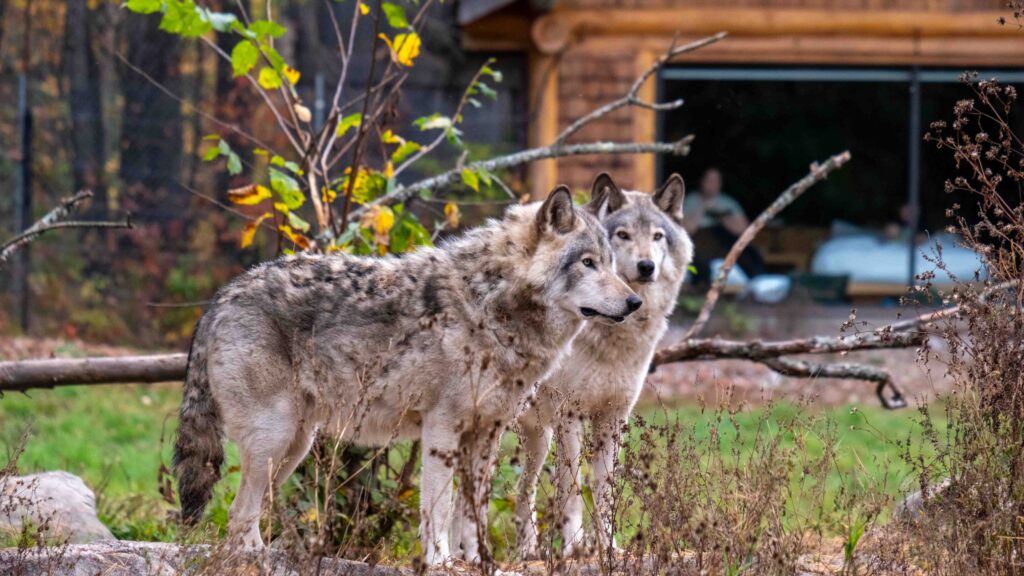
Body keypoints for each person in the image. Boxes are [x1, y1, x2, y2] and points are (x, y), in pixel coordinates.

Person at [682, 167, 764, 284]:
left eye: (716, 181)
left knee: (748, 255)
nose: (712, 185)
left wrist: (723, 218)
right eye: (709, 180)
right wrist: (703, 208)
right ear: (702, 181)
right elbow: (685, 230)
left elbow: (745, 231)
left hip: (724, 243)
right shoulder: (690, 201)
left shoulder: (728, 202)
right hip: (699, 244)